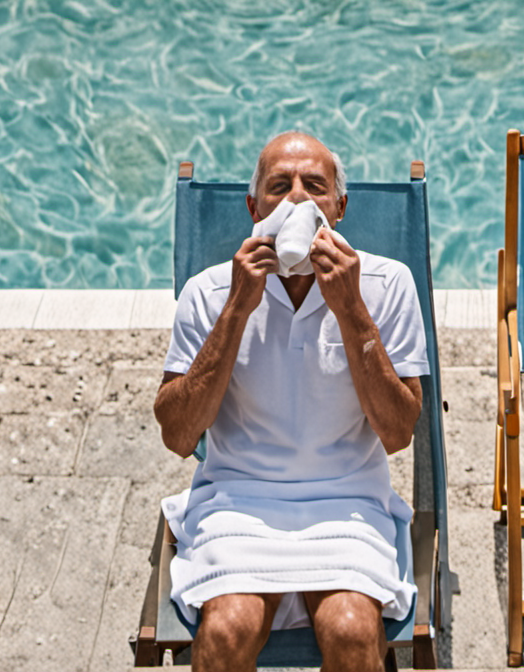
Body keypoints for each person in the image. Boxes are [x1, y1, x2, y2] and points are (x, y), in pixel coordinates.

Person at [153, 131, 427, 672]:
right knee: (228, 631)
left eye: (314, 187)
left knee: (351, 632)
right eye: (279, 187)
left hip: (348, 502)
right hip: (238, 501)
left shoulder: (387, 284)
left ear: (339, 207)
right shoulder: (209, 293)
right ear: (255, 209)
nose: (297, 200)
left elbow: (398, 433)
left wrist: (350, 308)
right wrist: (237, 308)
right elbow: (178, 435)